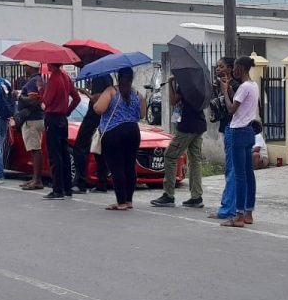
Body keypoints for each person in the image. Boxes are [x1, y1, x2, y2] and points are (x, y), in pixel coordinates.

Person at [151, 76, 206, 208]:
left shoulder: (186, 84)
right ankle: (196, 196)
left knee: (170, 156)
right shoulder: (201, 84)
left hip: (187, 127)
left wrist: (171, 83)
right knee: (195, 160)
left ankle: (168, 195)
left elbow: (173, 101)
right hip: (199, 125)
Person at [95, 67, 144, 210]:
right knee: (129, 166)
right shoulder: (137, 94)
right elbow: (141, 115)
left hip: (113, 132)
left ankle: (121, 202)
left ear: (118, 76)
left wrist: (96, 101)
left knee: (117, 167)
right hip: (133, 131)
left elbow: (99, 109)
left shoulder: (111, 91)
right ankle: (129, 200)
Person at [221, 56, 260, 228]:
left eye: (235, 68)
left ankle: (238, 216)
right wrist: (229, 90)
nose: (233, 71)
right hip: (249, 131)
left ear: (241, 68)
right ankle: (249, 213)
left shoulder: (244, 87)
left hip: (238, 131)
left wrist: (223, 91)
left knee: (239, 175)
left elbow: (231, 109)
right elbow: (240, 105)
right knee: (248, 174)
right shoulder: (253, 85)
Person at [41, 63, 81, 201]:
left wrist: (41, 90)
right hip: (63, 118)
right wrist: (67, 111)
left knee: (55, 154)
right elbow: (77, 98)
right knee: (64, 153)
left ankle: (57, 189)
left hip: (52, 118)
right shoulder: (66, 78)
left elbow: (45, 101)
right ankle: (67, 188)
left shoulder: (54, 79)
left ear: (51, 64)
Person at [209, 57, 240, 220]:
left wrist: (226, 89)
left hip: (232, 129)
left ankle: (228, 209)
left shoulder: (234, 85)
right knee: (233, 170)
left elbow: (232, 107)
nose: (217, 69)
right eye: (217, 66)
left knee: (232, 170)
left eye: (221, 67)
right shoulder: (222, 84)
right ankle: (234, 207)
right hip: (228, 128)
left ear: (230, 68)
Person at [72, 74, 112, 193]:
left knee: (80, 147)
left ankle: (81, 182)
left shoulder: (99, 77)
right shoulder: (108, 77)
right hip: (103, 118)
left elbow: (98, 98)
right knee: (99, 151)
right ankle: (101, 182)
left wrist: (87, 93)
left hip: (94, 116)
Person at [17, 65, 46, 190]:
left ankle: (37, 180)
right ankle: (35, 178)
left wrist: (19, 96)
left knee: (35, 149)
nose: (24, 68)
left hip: (32, 120)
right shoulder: (39, 80)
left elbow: (33, 100)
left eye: (26, 66)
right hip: (36, 118)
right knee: (34, 149)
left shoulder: (33, 81)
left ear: (31, 67)